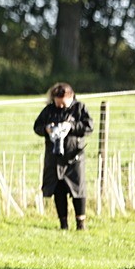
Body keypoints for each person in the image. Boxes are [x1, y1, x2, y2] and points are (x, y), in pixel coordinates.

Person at [33, 82, 94, 230]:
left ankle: (81, 223)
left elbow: (89, 126)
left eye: (63, 104)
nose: (60, 107)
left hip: (74, 157)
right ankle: (63, 224)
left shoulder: (79, 108)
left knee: (78, 190)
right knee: (58, 189)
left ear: (71, 96)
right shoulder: (48, 110)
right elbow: (37, 127)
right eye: (57, 103)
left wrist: (71, 127)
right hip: (55, 157)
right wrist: (47, 129)